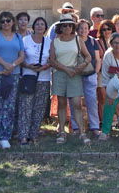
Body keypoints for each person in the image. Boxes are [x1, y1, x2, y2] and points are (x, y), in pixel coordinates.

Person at [48, 14, 92, 145]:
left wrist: (81, 66)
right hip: (60, 74)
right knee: (61, 104)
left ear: (73, 27)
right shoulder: (55, 41)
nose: (67, 27)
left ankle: (82, 132)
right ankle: (62, 131)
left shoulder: (78, 40)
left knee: (77, 104)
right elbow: (52, 60)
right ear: (60, 27)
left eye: (70, 25)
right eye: (64, 25)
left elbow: (88, 56)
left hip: (75, 73)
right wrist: (66, 69)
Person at [0, 11, 25, 150]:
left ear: (13, 22)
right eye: (2, 21)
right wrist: (5, 64)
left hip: (12, 75)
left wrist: (12, 66)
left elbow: (22, 55)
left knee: (9, 105)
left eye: (8, 21)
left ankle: (5, 136)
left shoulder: (18, 37)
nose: (5, 23)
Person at [17, 17, 52, 145]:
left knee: (39, 107)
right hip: (28, 77)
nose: (39, 26)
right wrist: (28, 66)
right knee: (25, 106)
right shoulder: (25, 40)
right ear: (33, 27)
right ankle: (23, 135)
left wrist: (44, 67)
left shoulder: (49, 41)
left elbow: (52, 59)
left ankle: (34, 133)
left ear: (46, 28)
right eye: (37, 24)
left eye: (42, 24)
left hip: (44, 77)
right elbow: (20, 57)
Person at [70, 19, 101, 137]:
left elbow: (98, 59)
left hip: (90, 75)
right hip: (76, 76)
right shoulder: (73, 41)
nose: (83, 30)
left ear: (89, 30)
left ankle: (94, 127)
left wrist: (96, 73)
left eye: (86, 28)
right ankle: (76, 127)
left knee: (92, 102)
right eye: (81, 28)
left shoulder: (93, 42)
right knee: (74, 102)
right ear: (77, 30)